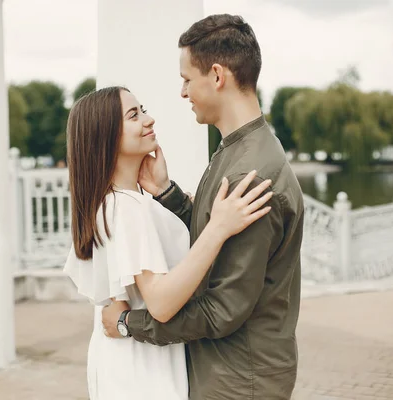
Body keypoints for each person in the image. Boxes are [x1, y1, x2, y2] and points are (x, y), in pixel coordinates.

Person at [101, 14, 305, 399]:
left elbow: (222, 309)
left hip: (240, 379)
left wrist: (130, 324)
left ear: (216, 76)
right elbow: (213, 235)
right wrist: (167, 193)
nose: (182, 92)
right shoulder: (237, 148)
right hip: (229, 369)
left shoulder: (252, 174)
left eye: (186, 79)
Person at [63, 86, 273, 400]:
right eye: (134, 115)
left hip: (125, 363)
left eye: (142, 109)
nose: (149, 119)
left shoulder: (109, 204)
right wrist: (218, 229)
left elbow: (111, 296)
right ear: (106, 136)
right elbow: (160, 304)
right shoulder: (129, 209)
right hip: (144, 371)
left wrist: (163, 190)